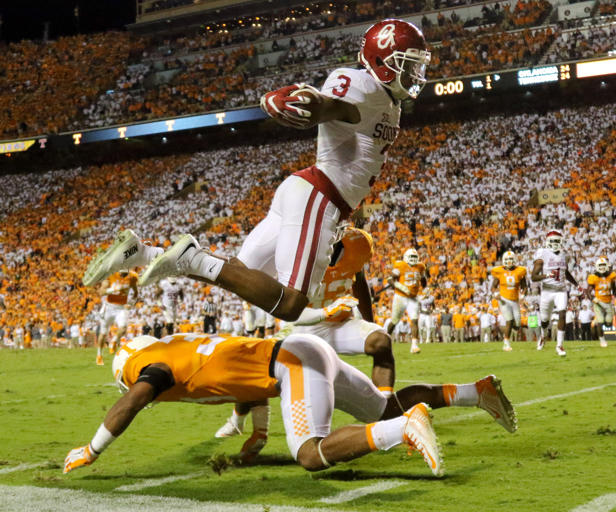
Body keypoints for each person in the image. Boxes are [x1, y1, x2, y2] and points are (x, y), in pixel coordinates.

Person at [83, 19, 432, 325]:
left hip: (308, 192)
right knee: (292, 303)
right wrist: (308, 103)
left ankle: (142, 253)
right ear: (380, 61)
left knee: (237, 274)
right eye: (408, 63)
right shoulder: (363, 85)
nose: (416, 73)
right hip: (321, 196)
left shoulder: (388, 102)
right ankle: (189, 255)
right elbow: (337, 107)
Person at [63, 332, 517, 476]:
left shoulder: (150, 368)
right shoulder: (181, 347)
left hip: (294, 364)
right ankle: (477, 392)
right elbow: (238, 380)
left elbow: (134, 401)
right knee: (383, 407)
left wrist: (92, 448)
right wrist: (258, 432)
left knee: (309, 454)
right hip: (303, 350)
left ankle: (407, 428)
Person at [215, 227, 396, 444]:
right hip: (300, 323)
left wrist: (369, 322)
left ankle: (384, 413)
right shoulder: (293, 248)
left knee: (381, 341)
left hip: (338, 324)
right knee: (258, 366)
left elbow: (359, 280)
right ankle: (238, 419)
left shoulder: (358, 243)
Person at [531, 230, 578, 357]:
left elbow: (565, 272)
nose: (556, 243)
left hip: (561, 290)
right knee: (545, 320)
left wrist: (576, 284)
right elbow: (534, 277)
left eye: (558, 241)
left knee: (562, 313)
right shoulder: (542, 254)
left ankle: (560, 345)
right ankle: (543, 336)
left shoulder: (564, 254)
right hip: (547, 290)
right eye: (553, 241)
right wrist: (547, 275)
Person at [386, 248, 427, 353]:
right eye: (411, 257)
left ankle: (414, 346)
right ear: (406, 257)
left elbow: (423, 279)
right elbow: (390, 280)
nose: (413, 259)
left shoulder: (420, 266)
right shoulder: (401, 265)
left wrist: (425, 286)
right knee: (394, 321)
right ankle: (384, 339)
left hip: (413, 298)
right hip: (400, 297)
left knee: (414, 320)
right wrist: (401, 287)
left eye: (415, 257)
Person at [96, 270, 139, 366]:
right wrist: (113, 289)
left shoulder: (131, 277)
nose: (123, 275)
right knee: (103, 333)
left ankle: (114, 340)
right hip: (109, 307)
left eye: (125, 273)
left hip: (121, 308)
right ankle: (99, 355)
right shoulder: (111, 275)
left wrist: (131, 303)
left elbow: (135, 292)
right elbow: (101, 292)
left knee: (123, 328)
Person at [490, 250, 528, 352]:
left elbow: (524, 287)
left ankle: (510, 332)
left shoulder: (520, 271)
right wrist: (495, 294)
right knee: (509, 320)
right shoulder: (500, 272)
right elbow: (493, 287)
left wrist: (523, 294)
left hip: (515, 300)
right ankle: (506, 343)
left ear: (514, 260)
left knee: (518, 323)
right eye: (507, 259)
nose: (509, 261)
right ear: (503, 260)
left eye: (511, 259)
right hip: (504, 300)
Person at [586, 257, 616, 348]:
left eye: (604, 265)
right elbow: (588, 292)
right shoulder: (593, 277)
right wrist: (592, 298)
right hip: (598, 302)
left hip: (608, 302)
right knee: (601, 322)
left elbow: (614, 288)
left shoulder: (611, 276)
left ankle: (596, 321)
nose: (602, 267)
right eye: (600, 265)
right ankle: (602, 340)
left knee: (608, 323)